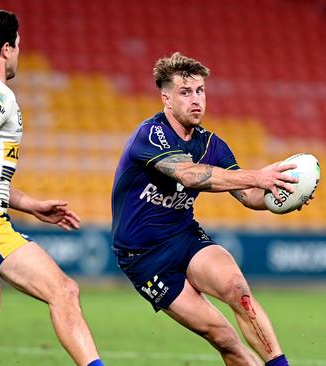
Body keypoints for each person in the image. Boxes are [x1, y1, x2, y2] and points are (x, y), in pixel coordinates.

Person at [111, 52, 309, 366]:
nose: (196, 99)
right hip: (144, 257)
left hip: (184, 237)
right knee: (224, 338)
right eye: (185, 92)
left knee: (237, 288)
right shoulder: (150, 134)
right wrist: (258, 175)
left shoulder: (212, 144)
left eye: (200, 91)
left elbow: (247, 195)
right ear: (166, 98)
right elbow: (190, 174)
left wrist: (280, 197)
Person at [0, 6, 103, 366]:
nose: (19, 54)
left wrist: (31, 205)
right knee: (64, 290)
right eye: (19, 46)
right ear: (7, 48)